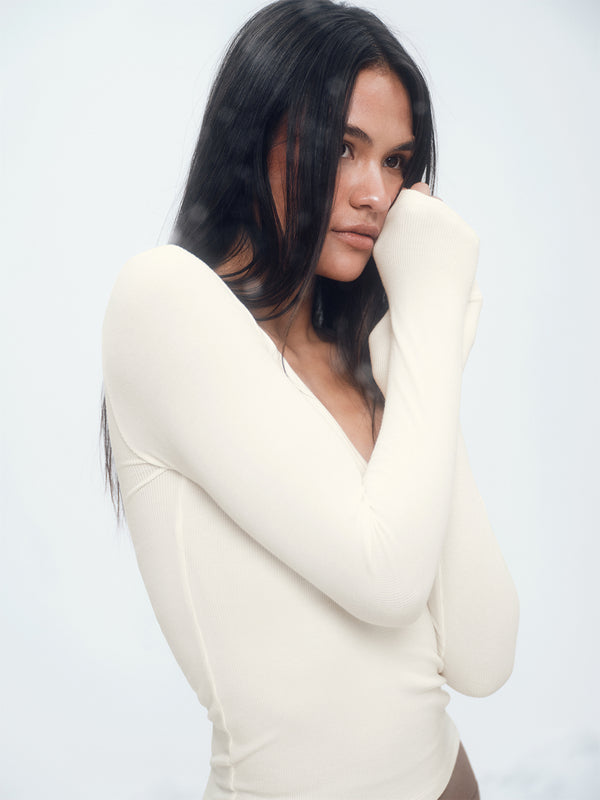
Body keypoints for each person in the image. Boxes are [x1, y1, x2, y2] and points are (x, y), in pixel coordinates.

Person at [100, 1, 520, 797]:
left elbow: (483, 654)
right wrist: (432, 312)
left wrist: (418, 354)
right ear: (252, 134)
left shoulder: (368, 351)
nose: (376, 193)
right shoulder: (162, 302)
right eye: (344, 147)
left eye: (396, 162)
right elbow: (385, 576)